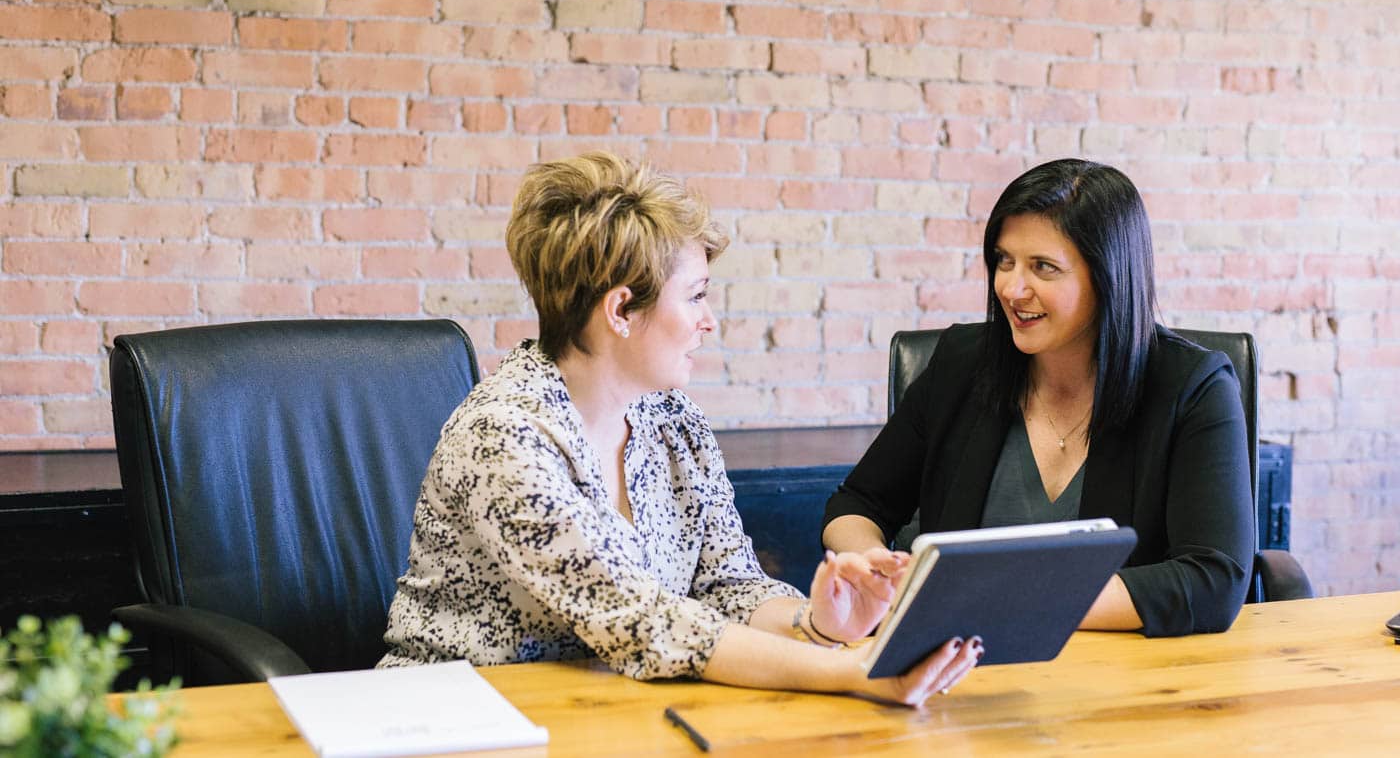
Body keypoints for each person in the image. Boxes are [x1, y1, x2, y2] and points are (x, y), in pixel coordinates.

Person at [379, 152, 979, 705]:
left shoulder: (671, 419)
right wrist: (853, 671)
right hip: (456, 719)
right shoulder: (504, 436)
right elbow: (642, 621)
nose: (709, 321)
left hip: (609, 711)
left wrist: (818, 624)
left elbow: (728, 585)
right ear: (620, 311)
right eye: (695, 296)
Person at [821, 158, 1256, 637]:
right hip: (959, 669)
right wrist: (871, 566)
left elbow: (1213, 580)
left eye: (1043, 268)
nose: (1011, 287)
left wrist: (1000, 601)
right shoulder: (963, 364)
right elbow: (857, 504)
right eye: (1004, 261)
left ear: (1108, 276)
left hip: (1124, 677)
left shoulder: (1194, 387)